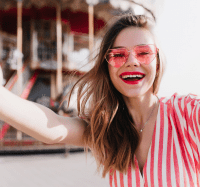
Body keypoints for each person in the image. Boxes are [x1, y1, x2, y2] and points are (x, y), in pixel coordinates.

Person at [0, 14, 199, 187]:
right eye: (118, 55)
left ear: (157, 60)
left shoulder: (185, 114)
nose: (132, 61)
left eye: (143, 53)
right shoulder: (106, 128)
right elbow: (53, 128)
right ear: (107, 67)